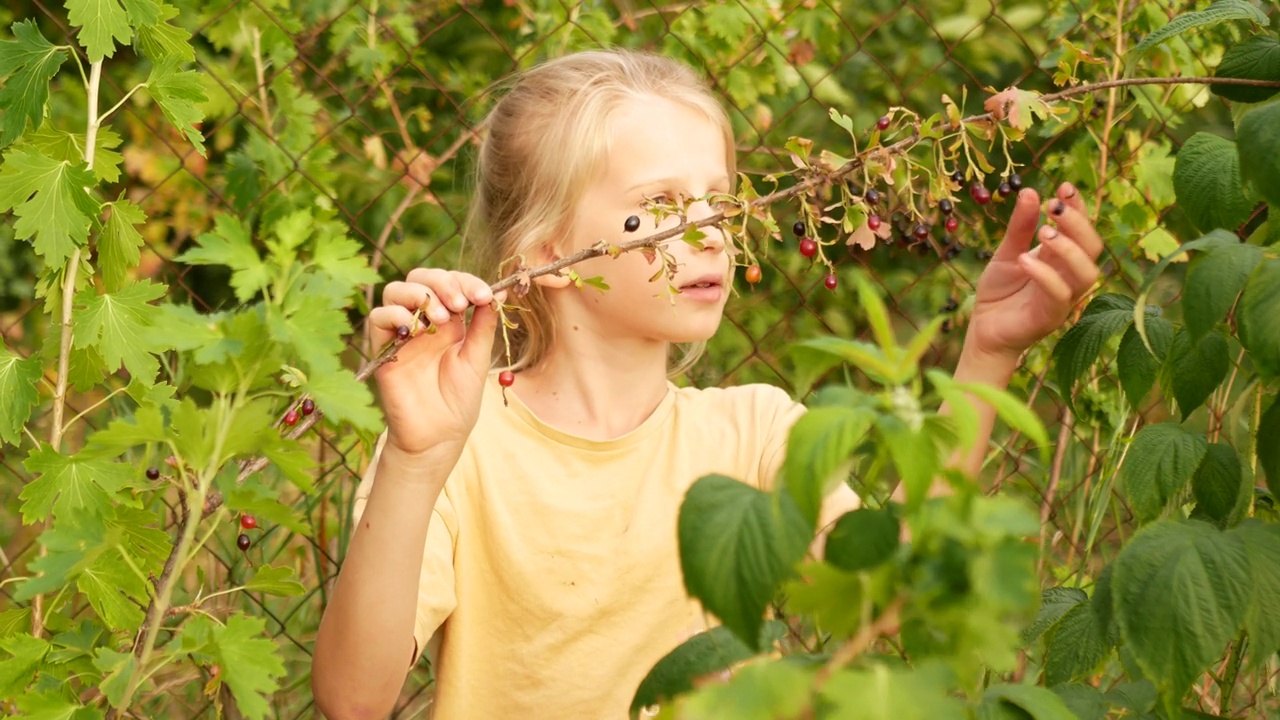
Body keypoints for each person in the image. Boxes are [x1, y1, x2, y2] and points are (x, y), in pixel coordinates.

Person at [311, 49, 1103, 719]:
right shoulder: (460, 439)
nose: (709, 235)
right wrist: (417, 462)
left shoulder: (754, 433)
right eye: (659, 206)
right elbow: (353, 701)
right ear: (542, 254)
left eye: (718, 203)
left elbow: (889, 593)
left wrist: (987, 356)